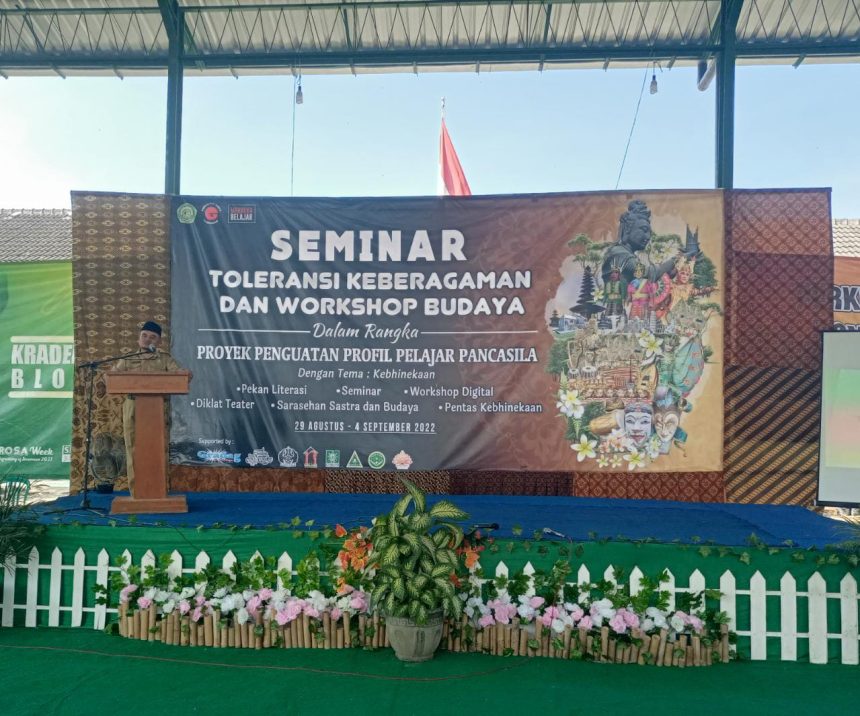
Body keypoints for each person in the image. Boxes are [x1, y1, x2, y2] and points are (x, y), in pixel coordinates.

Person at [112, 321, 185, 495]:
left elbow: (179, 375)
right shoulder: (128, 359)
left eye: (152, 337)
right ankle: (136, 493)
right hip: (133, 406)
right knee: (133, 449)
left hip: (157, 410)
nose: (147, 339)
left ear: (159, 342)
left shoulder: (165, 359)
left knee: (157, 449)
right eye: (144, 335)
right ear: (138, 339)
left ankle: (158, 492)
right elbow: (113, 376)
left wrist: (185, 374)